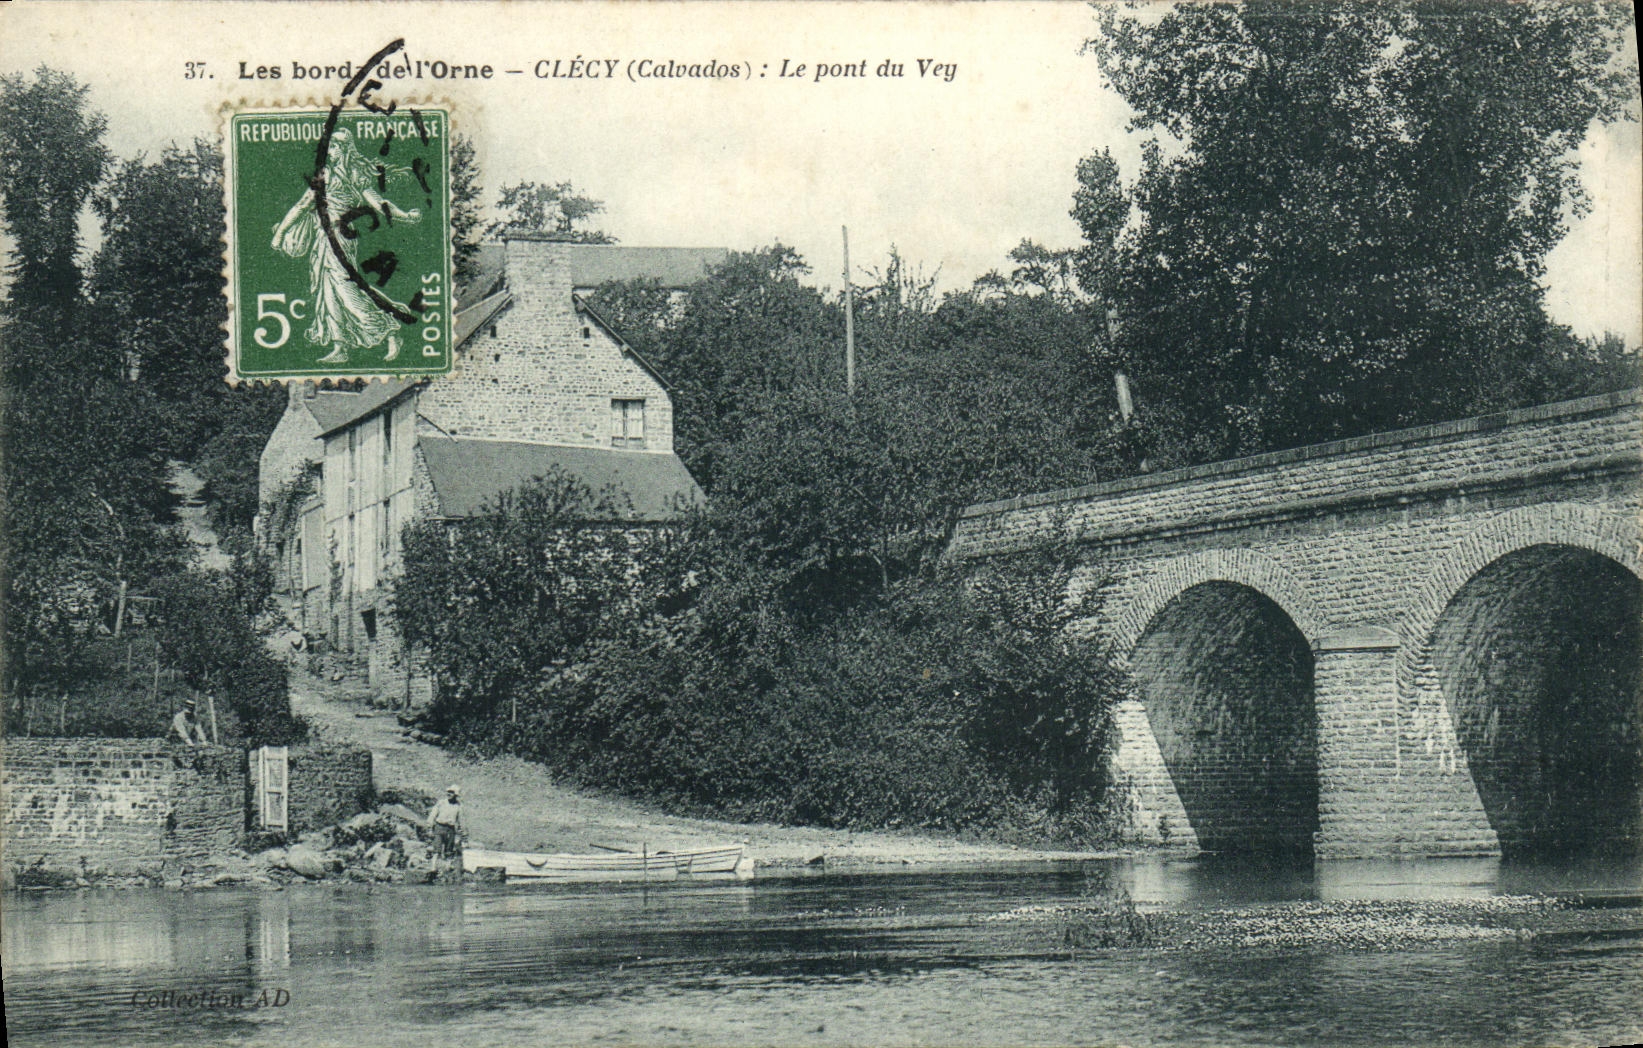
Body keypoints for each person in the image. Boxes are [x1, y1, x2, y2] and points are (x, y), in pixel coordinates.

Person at [270, 127, 422, 364]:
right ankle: (340, 346)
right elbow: (302, 206)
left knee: (346, 288)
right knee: (327, 290)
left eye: (336, 145)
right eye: (330, 145)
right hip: (322, 239)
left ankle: (390, 327)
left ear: (344, 148)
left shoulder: (354, 174)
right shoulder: (324, 176)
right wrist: (280, 234)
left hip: (341, 238)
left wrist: (405, 216)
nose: (331, 150)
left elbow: (378, 203)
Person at [427, 785, 464, 871]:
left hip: (450, 829)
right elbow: (433, 815)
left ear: (455, 795)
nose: (449, 794)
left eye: (452, 792)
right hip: (439, 827)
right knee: (436, 849)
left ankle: (447, 868)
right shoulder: (441, 803)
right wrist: (430, 827)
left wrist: (461, 832)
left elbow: (461, 820)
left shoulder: (458, 806)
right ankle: (433, 868)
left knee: (449, 850)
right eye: (448, 792)